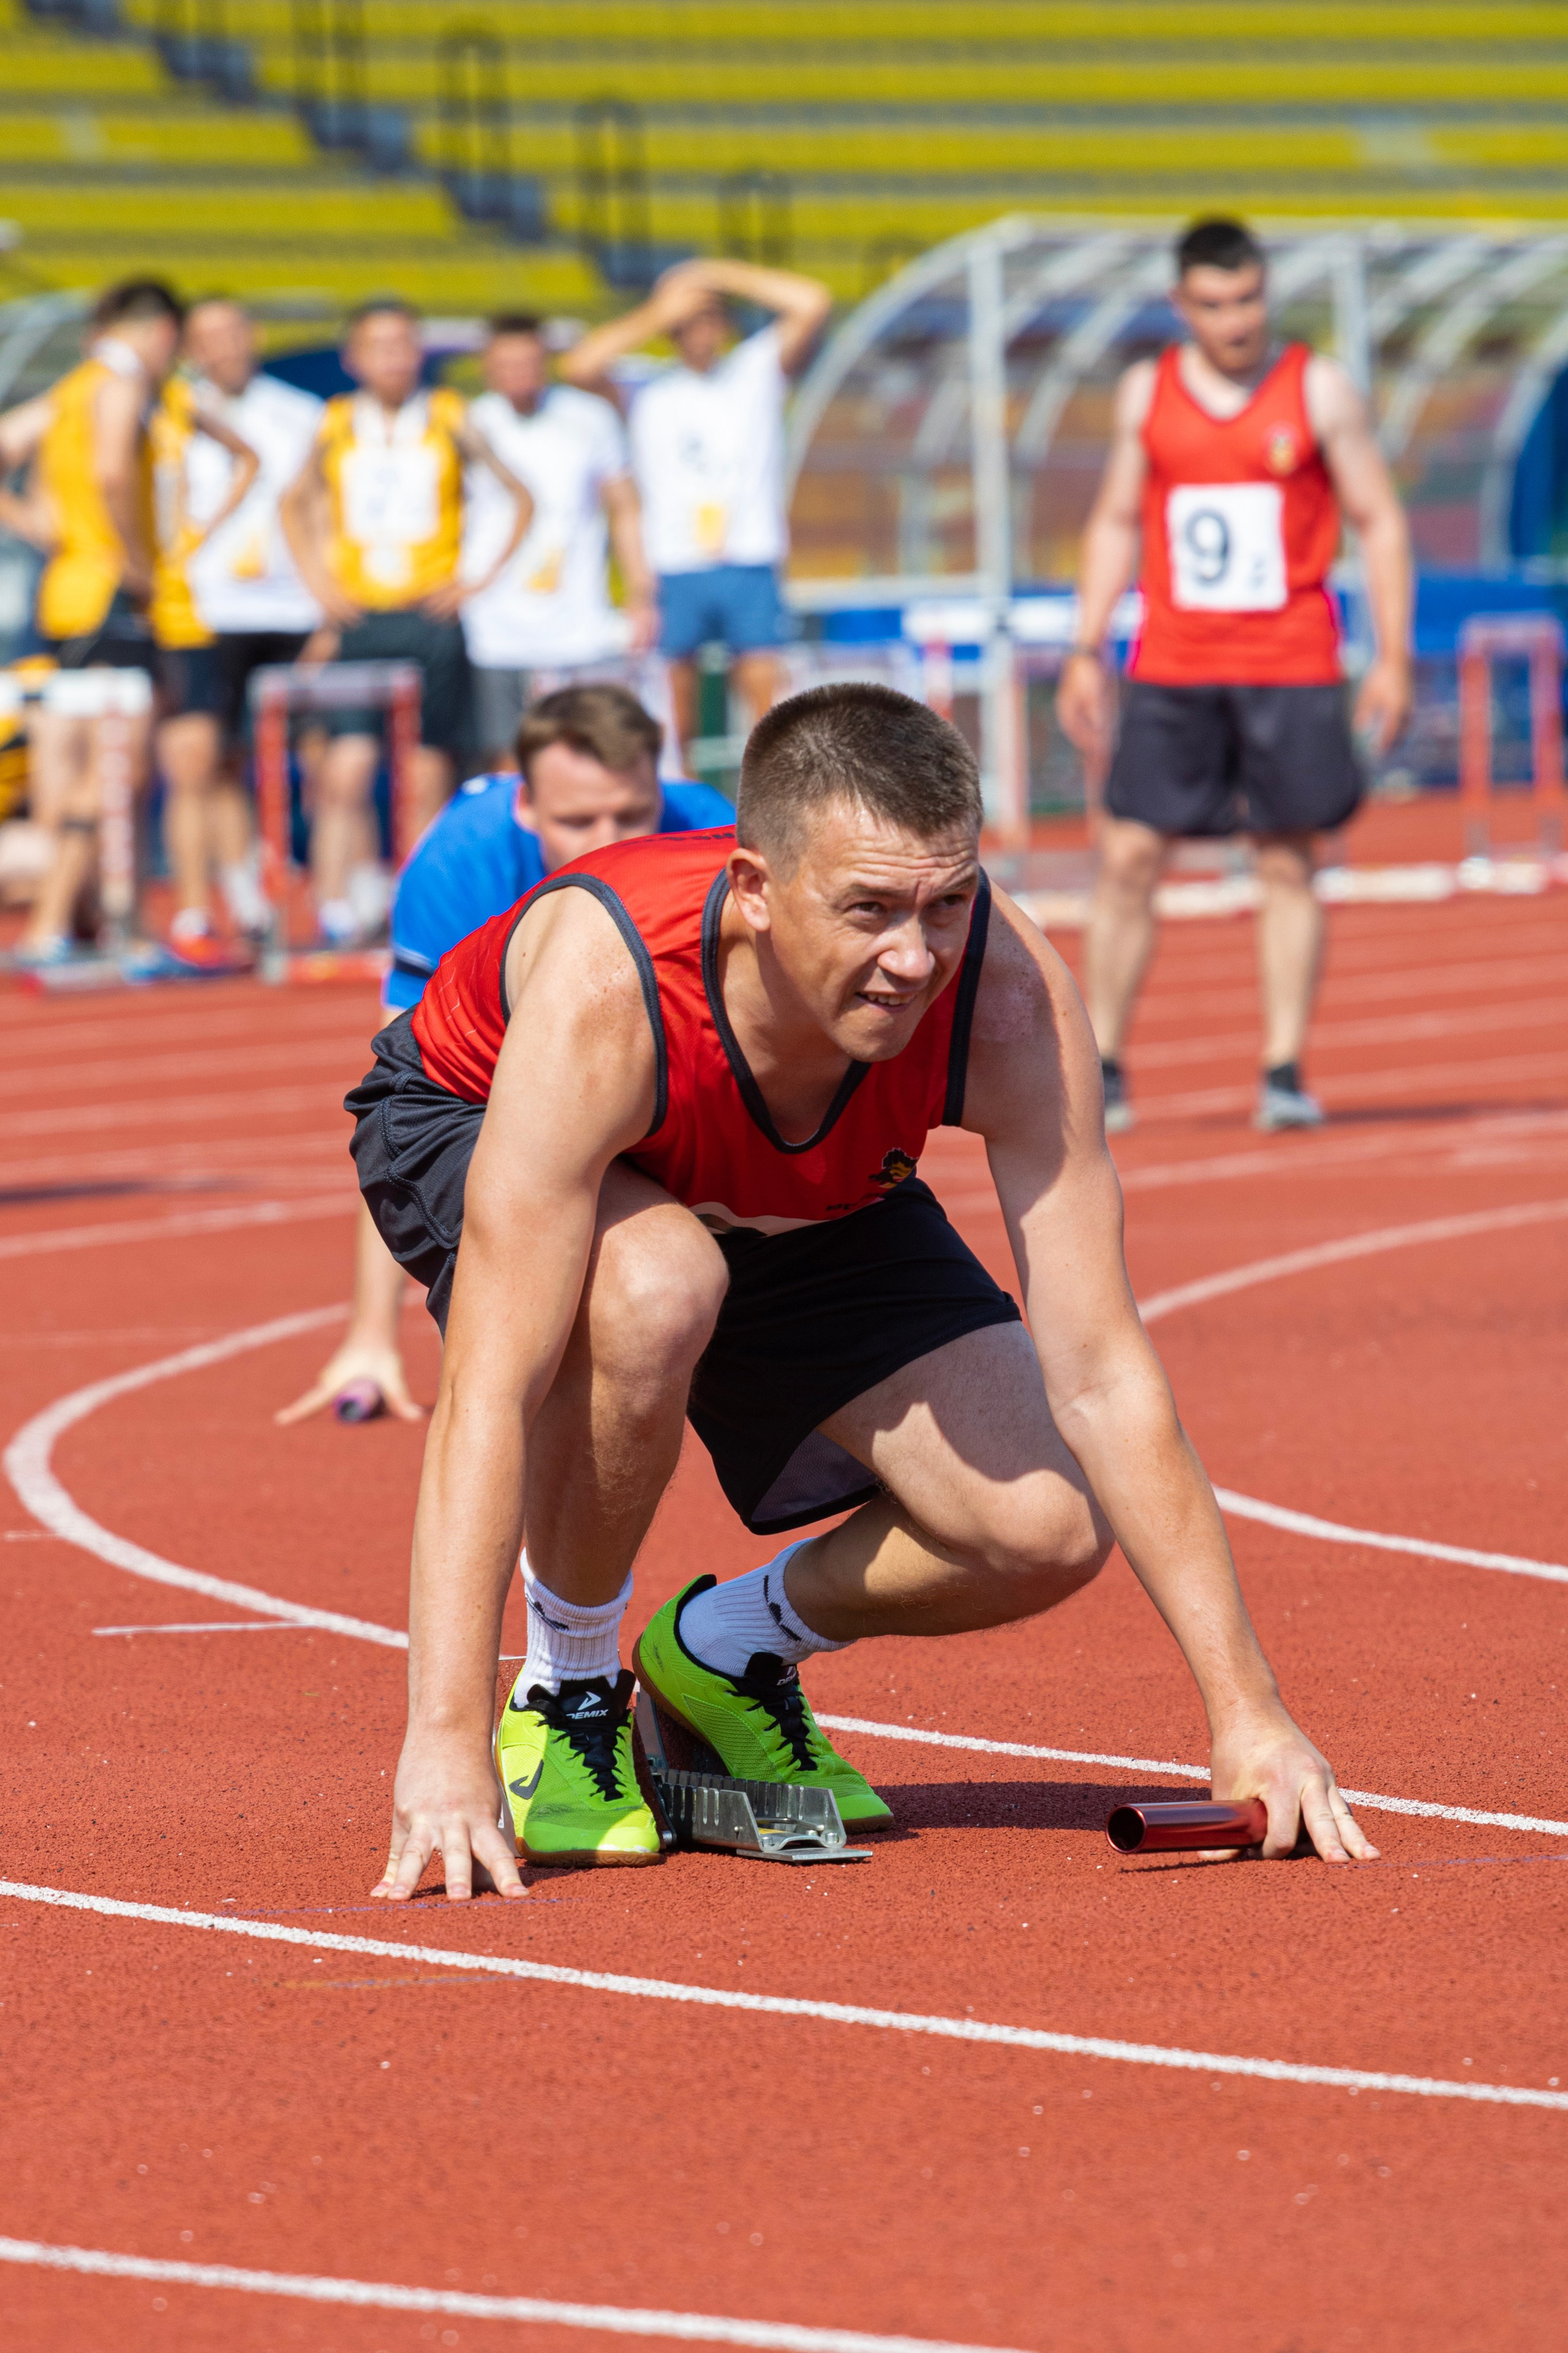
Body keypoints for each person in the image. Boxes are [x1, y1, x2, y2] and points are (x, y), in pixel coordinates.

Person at [345, 680, 1376, 1892]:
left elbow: (1100, 1369)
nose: (914, 956)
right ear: (752, 894)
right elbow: (488, 1391)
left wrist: (1245, 1711)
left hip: (797, 1173)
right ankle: (568, 1693)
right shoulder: (608, 994)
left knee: (1041, 1526)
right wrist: (442, 1741)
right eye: (870, 910)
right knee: (656, 1282)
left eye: (947, 903)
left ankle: (719, 1653)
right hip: (480, 1114)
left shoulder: (1002, 997)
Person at [277, 682, 731, 1426]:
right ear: (525, 807)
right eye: (578, 820)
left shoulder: (714, 839)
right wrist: (369, 1335)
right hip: (500, 1067)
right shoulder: (459, 862)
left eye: (631, 812)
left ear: (663, 787)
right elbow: (401, 1092)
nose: (608, 838)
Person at [1057, 216, 1412, 1134]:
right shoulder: (1149, 393)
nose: (1235, 320)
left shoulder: (1317, 389)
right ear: (1182, 305)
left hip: (1291, 660)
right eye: (1214, 304)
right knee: (1131, 853)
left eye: (1248, 298)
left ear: (1268, 293)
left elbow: (1378, 520)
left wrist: (1393, 658)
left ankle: (1283, 1066)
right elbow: (1113, 521)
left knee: (1287, 857)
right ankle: (1104, 1066)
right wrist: (1086, 647)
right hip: (1174, 661)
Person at [278, 298, 533, 945]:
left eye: (404, 344)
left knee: (427, 768)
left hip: (430, 616)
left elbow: (517, 495)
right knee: (347, 767)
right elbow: (294, 502)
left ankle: (423, 907)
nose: (394, 358)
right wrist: (319, 584)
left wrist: (475, 576)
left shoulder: (449, 417)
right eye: (379, 346)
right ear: (354, 359)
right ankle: (339, 904)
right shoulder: (336, 423)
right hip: (362, 617)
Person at [562, 257, 832, 769]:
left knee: (767, 706)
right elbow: (579, 366)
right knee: (672, 716)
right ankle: (673, 822)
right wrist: (659, 311)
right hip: (675, 565)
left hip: (748, 558)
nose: (698, 330)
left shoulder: (754, 370)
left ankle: (771, 816)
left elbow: (812, 300)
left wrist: (718, 274)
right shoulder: (646, 386)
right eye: (686, 321)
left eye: (708, 317)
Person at [0, 280, 184, 963]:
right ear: (162, 332)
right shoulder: (121, 380)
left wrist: (40, 529)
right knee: (116, 766)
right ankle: (61, 923)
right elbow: (112, 471)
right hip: (110, 596)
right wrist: (137, 563)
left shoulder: (71, 387)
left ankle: (108, 921)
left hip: (68, 594)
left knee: (75, 762)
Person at [151, 297, 326, 949]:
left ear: (253, 335)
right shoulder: (169, 411)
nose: (223, 347)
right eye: (207, 337)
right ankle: (217, 898)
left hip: (292, 606)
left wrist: (325, 599)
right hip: (209, 609)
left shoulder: (302, 413)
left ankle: (322, 892)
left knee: (312, 754)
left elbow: (319, 509)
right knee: (205, 756)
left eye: (232, 332)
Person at [459, 314, 657, 770]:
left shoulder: (590, 417)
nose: (518, 373)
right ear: (487, 365)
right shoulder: (470, 423)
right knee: (508, 760)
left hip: (577, 624)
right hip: (495, 624)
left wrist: (640, 593)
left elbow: (624, 507)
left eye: (528, 361)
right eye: (505, 363)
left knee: (591, 752)